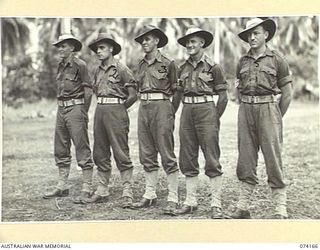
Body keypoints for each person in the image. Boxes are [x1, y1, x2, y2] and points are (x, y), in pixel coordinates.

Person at [232, 18, 293, 219]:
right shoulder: (242, 61)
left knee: (273, 158)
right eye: (249, 34)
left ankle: (279, 207)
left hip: (268, 109)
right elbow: (238, 90)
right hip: (246, 109)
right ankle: (243, 206)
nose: (252, 37)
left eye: (256, 32)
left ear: (266, 34)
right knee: (246, 158)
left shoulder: (277, 59)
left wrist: (275, 116)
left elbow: (288, 93)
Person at [172, 27, 228, 219]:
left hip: (206, 111)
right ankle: (190, 202)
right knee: (187, 156)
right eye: (187, 42)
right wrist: (173, 113)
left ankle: (216, 203)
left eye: (193, 41)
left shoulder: (214, 67)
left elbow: (223, 97)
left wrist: (214, 118)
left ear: (202, 43)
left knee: (212, 157)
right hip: (187, 111)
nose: (189, 45)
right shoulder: (182, 68)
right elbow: (178, 94)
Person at [84, 32, 137, 208]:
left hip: (116, 110)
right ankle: (102, 189)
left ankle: (127, 190)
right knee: (100, 151)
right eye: (97, 49)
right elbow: (96, 92)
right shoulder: (97, 70)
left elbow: (132, 95)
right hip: (100, 110)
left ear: (111, 49)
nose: (98, 51)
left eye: (102, 48)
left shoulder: (122, 69)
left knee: (120, 150)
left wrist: (121, 109)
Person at [132, 25, 180, 214]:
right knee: (146, 152)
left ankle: (173, 196)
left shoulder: (168, 63)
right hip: (144, 107)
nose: (144, 42)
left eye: (148, 39)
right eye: (142, 40)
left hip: (162, 106)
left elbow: (176, 92)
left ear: (157, 41)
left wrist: (169, 112)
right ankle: (150, 193)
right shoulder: (141, 64)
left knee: (166, 152)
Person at [43, 34, 94, 203]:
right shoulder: (60, 66)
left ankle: (86, 187)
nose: (60, 49)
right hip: (61, 108)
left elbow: (88, 90)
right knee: (60, 147)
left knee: (81, 146)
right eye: (59, 46)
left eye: (63, 46)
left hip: (76, 108)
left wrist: (83, 112)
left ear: (72, 47)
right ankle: (62, 186)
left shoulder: (80, 65)